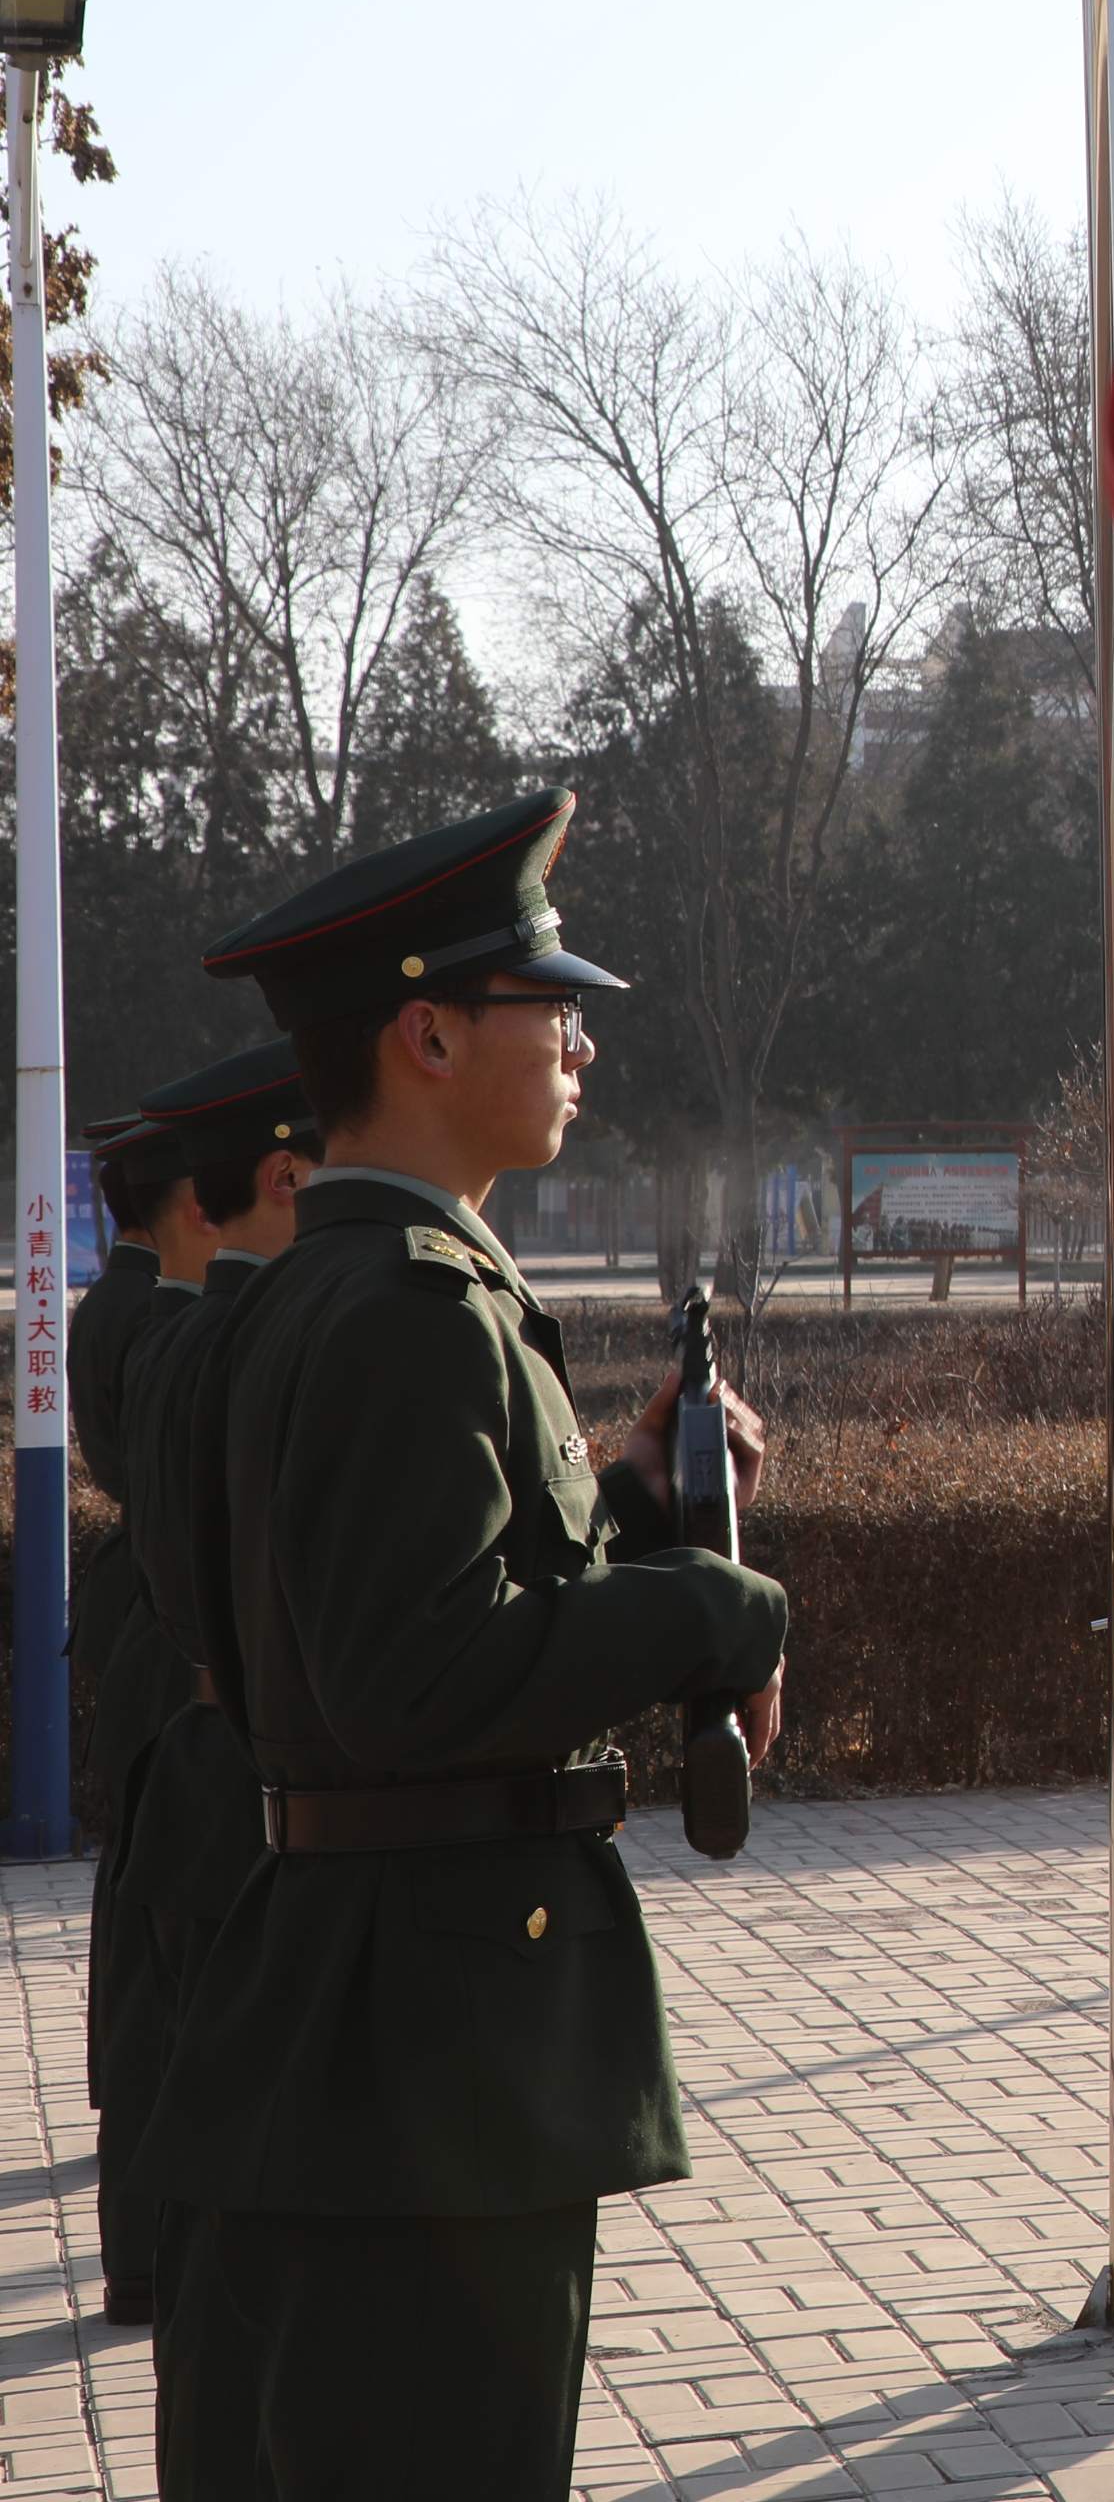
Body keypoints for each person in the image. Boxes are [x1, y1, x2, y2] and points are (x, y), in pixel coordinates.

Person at [143, 792, 790, 2502]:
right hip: (433, 2064)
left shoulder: (297, 1300)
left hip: (332, 2013)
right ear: (426, 1035)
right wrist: (714, 1606)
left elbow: (323, 1625)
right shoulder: (416, 1315)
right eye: (546, 1004)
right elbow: (415, 1678)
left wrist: (630, 1502)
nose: (581, 1041)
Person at [86, 1045, 318, 2343]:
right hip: (185, 1683)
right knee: (171, 1986)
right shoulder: (186, 1333)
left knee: (154, 1972)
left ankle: (150, 2256)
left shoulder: (169, 1321)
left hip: (166, 1660)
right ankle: (152, 2256)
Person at [65, 1102, 203, 2324]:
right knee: (161, 1956)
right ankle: (149, 2248)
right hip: (167, 1642)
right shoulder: (165, 1319)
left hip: (135, 1621)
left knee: (136, 1932)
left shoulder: (109, 1306)